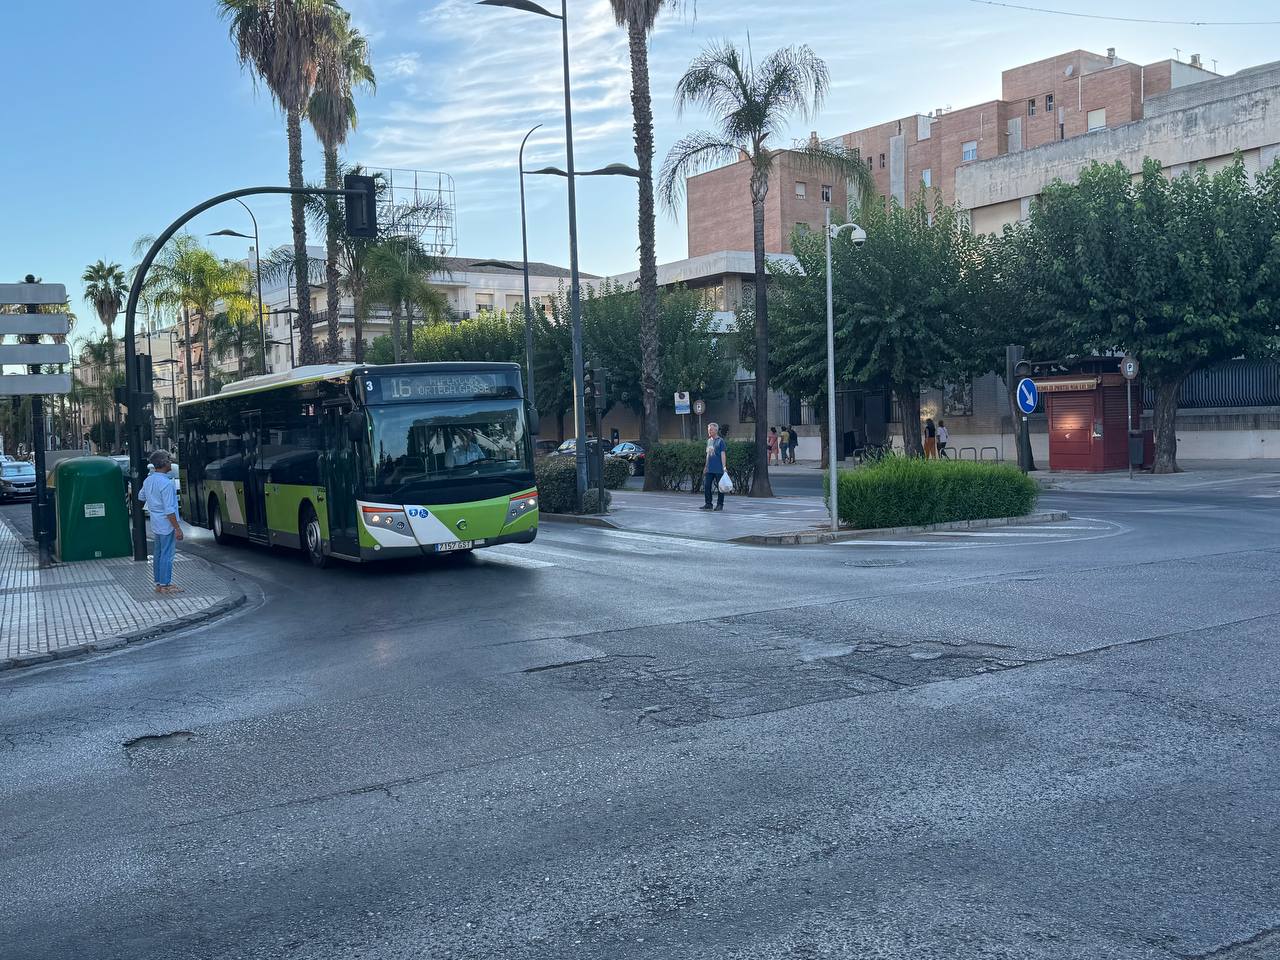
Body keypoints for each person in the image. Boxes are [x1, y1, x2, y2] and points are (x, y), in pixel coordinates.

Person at [139, 449, 183, 595]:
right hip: (167, 523)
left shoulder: (148, 480)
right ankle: (165, 584)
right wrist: (177, 528)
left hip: (155, 521)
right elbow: (169, 509)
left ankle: (158, 583)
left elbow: (141, 496)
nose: (171, 463)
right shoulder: (166, 483)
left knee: (158, 553)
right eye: (169, 460)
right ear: (164, 463)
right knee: (167, 554)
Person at [700, 422, 727, 512]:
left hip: (719, 468)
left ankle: (720, 504)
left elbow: (723, 454)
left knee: (720, 487)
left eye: (711, 429)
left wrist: (724, 467)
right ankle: (708, 504)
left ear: (716, 430)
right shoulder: (709, 441)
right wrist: (705, 466)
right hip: (710, 469)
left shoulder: (720, 441)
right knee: (707, 485)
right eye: (708, 429)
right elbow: (708, 454)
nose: (709, 431)